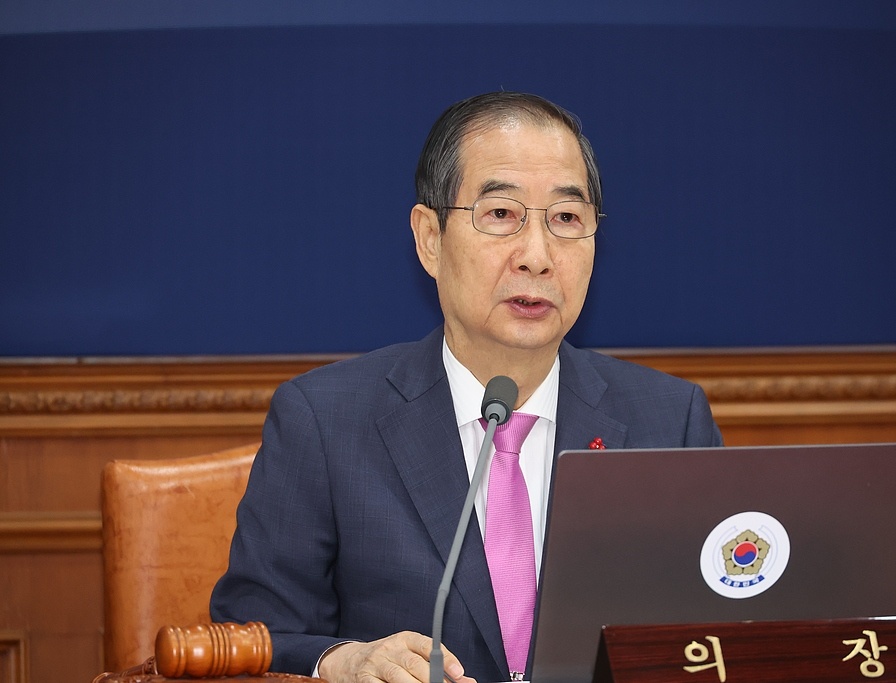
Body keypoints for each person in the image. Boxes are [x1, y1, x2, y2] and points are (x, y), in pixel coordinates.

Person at [209, 91, 723, 683]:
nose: (537, 257)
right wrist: (340, 661)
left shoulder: (671, 421)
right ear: (430, 239)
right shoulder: (325, 423)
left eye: (566, 219)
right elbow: (251, 641)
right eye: (501, 214)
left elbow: (723, 632)